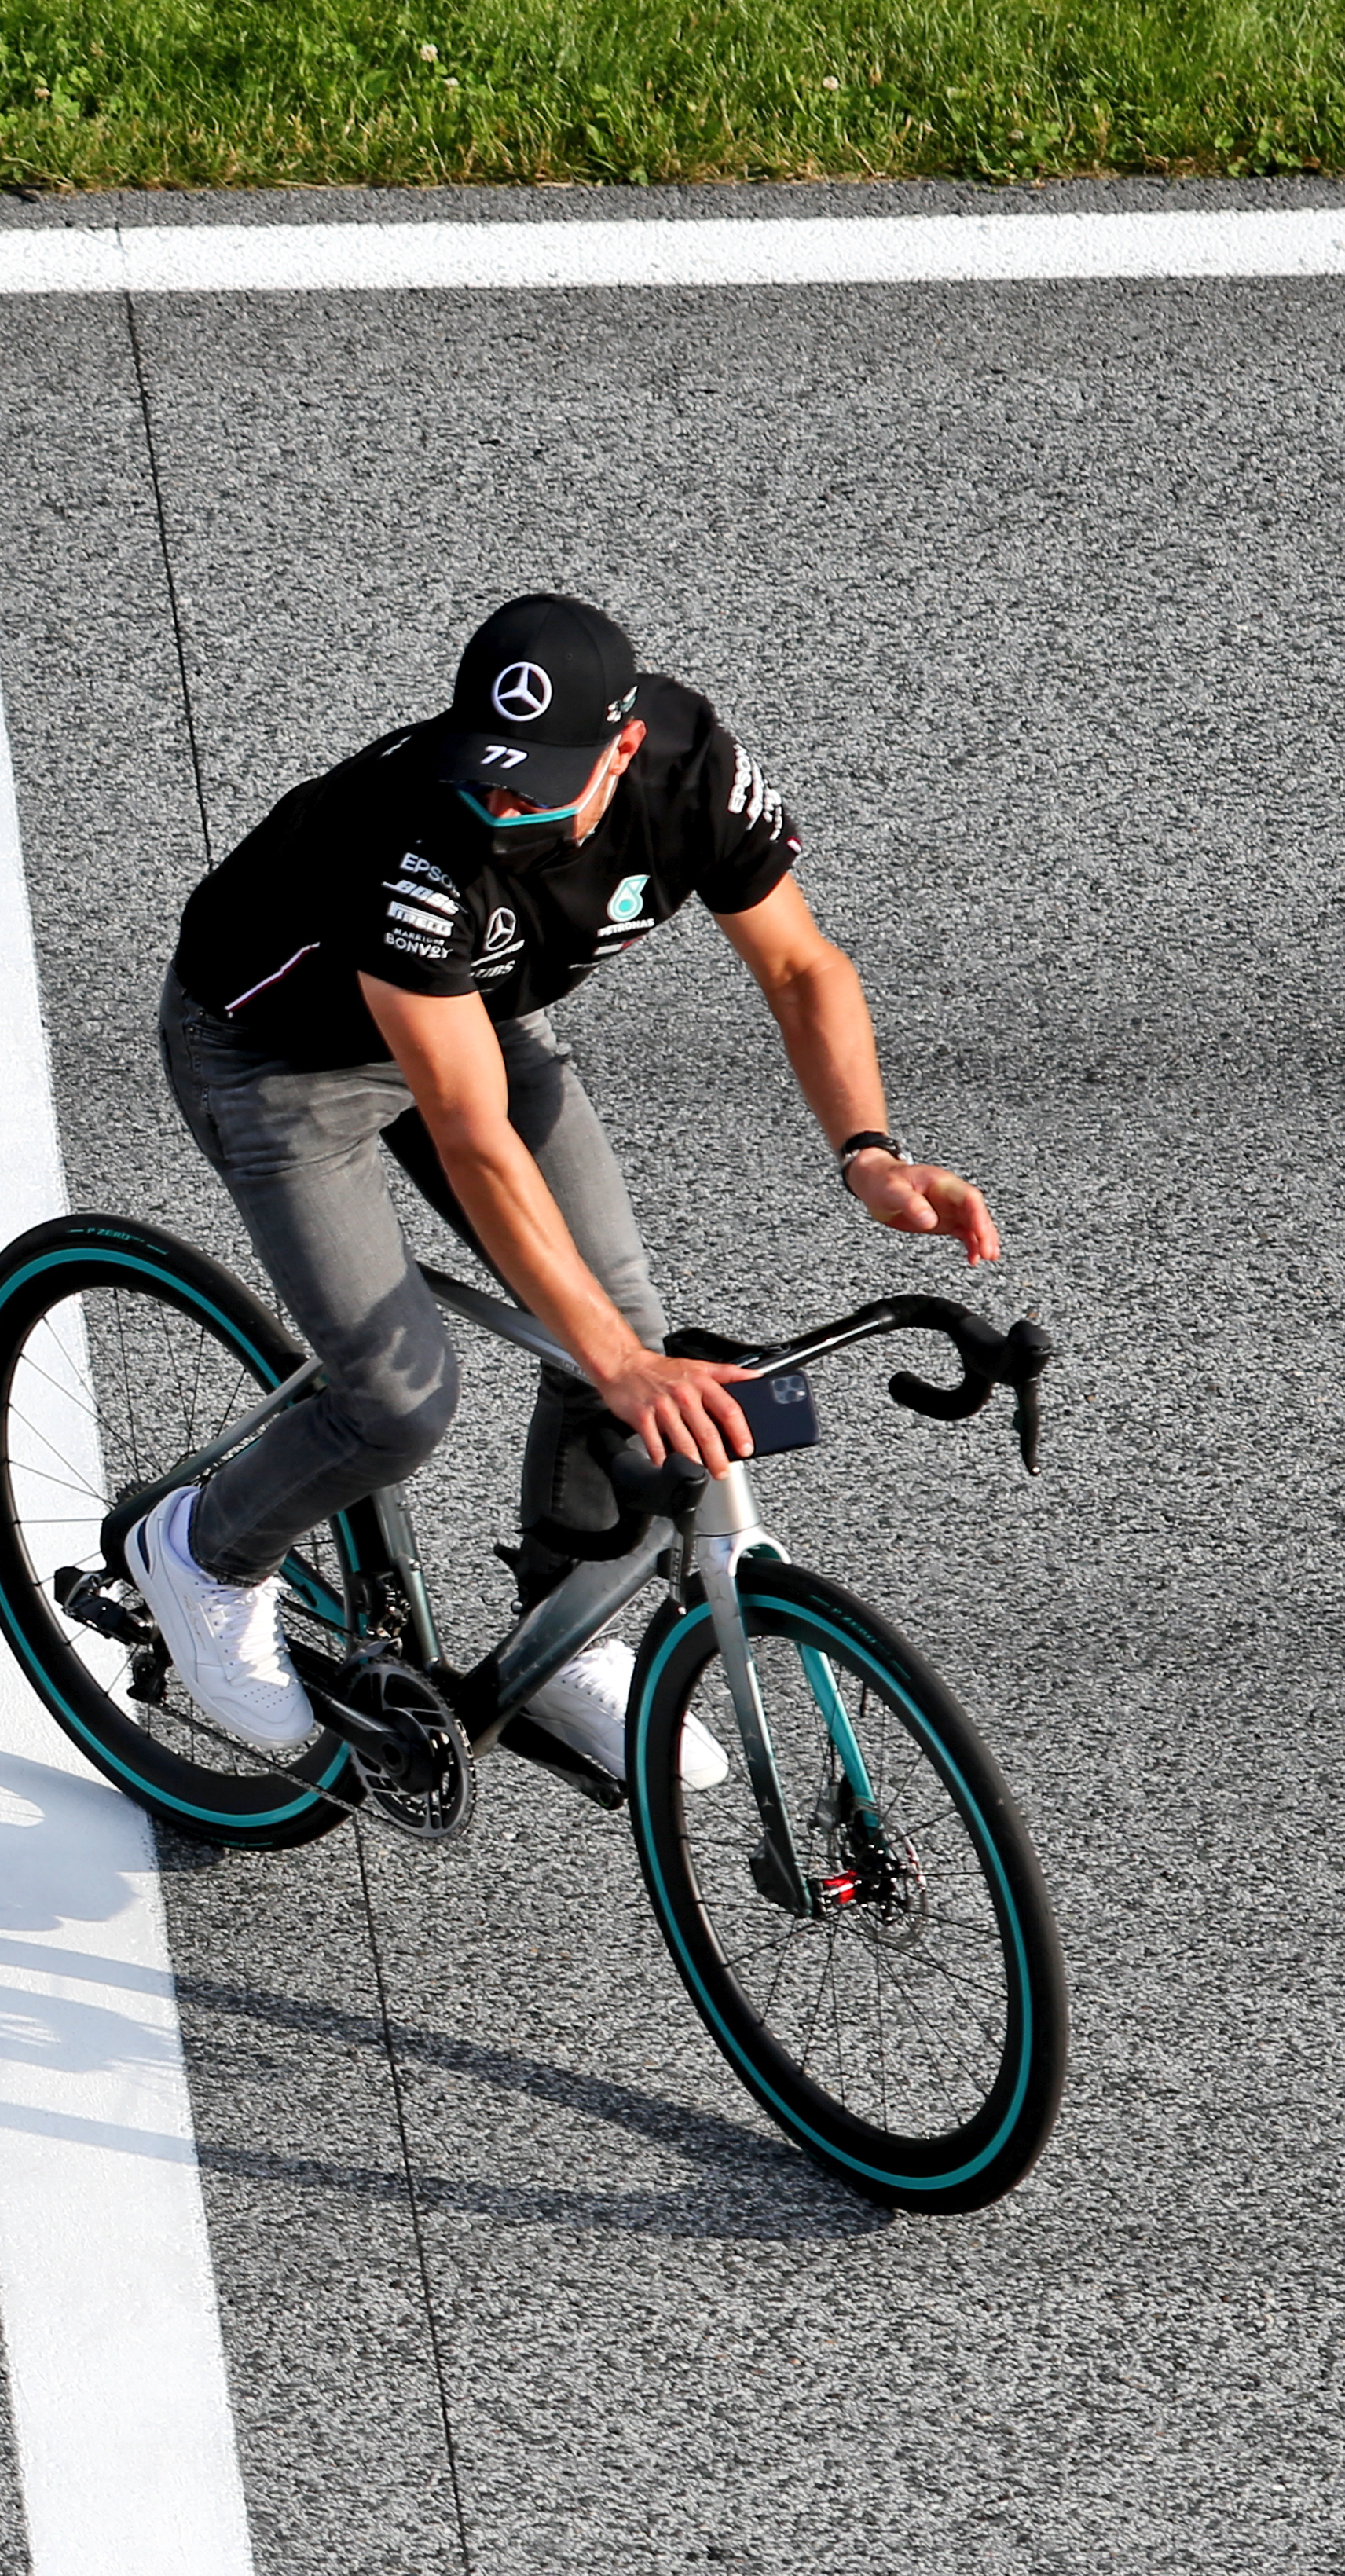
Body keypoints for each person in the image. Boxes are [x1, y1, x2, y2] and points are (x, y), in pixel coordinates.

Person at [134, 593, 999, 1774]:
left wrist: (869, 1152)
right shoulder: (416, 848)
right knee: (401, 1402)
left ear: (625, 748)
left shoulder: (692, 765)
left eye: (535, 782)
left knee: (625, 1343)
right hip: (282, 1063)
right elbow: (472, 1132)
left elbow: (801, 965)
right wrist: (614, 1355)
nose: (499, 805)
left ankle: (562, 1628)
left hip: (477, 1021)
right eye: (484, 773)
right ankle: (198, 1554)